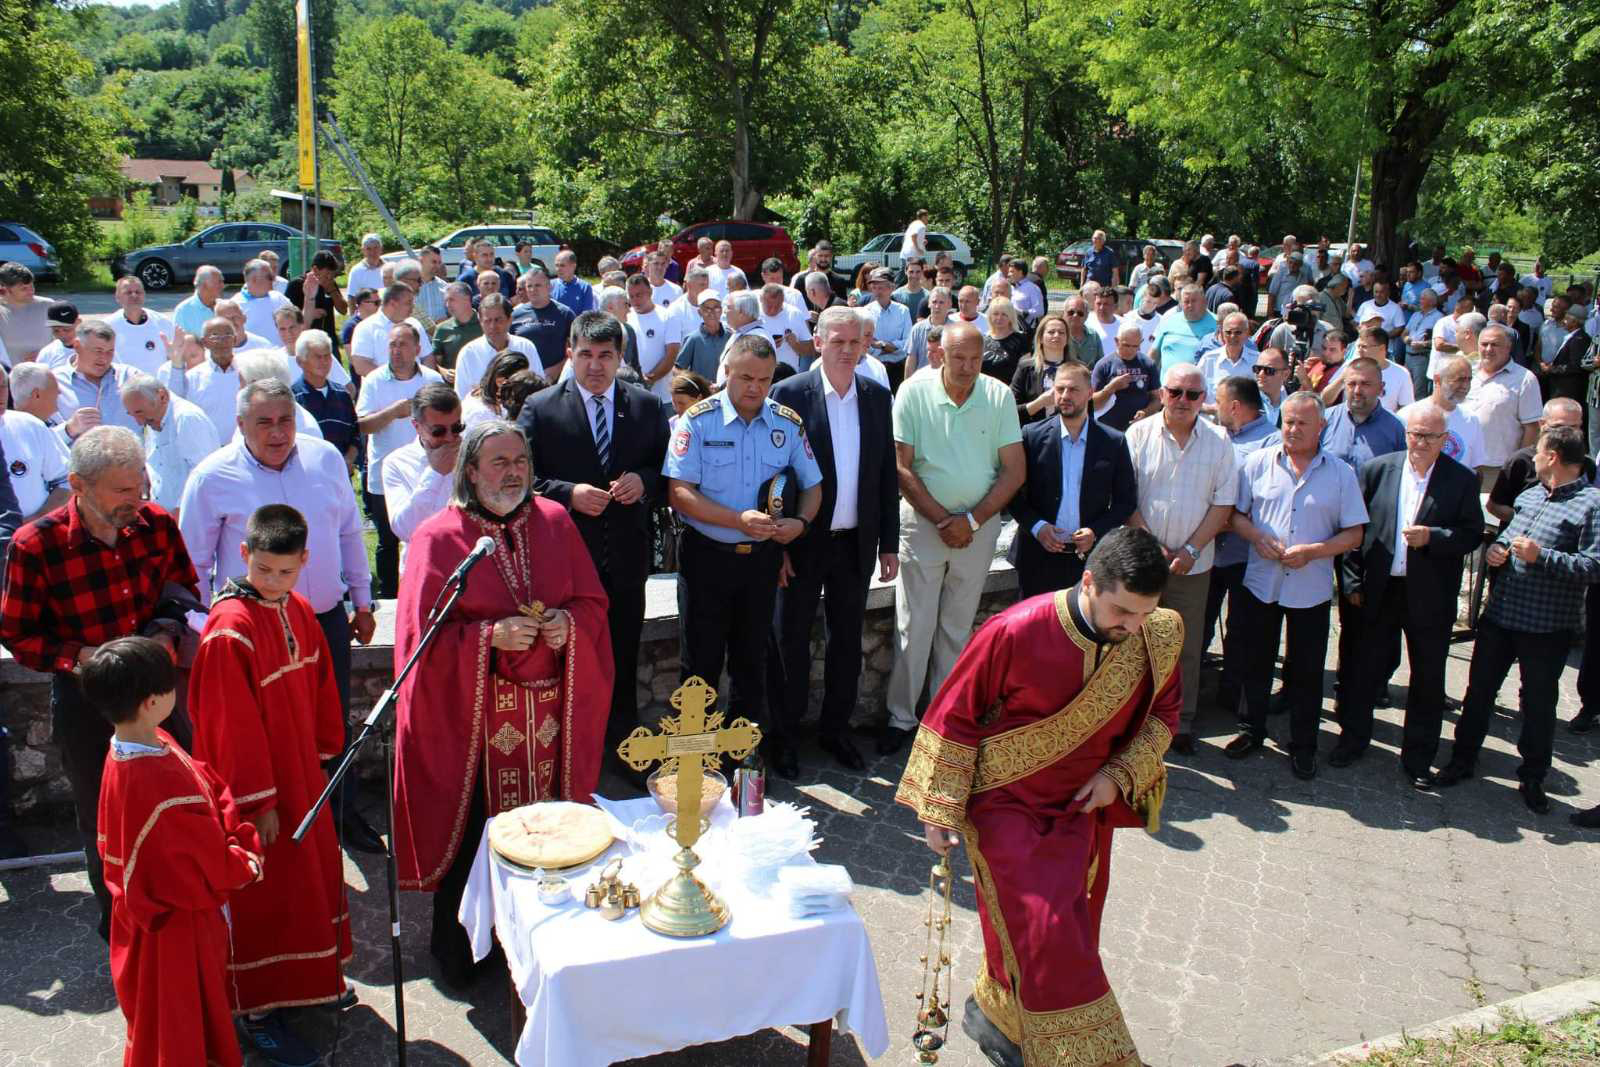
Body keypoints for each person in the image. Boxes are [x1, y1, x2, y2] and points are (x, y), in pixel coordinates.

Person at [896, 527, 1180, 1067]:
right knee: (1049, 931)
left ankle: (1001, 1021)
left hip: (1083, 807)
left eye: (1145, 614)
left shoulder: (1157, 634)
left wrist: (1118, 776)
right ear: (1089, 581)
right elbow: (954, 713)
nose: (1134, 627)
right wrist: (938, 808)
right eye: (1123, 611)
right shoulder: (1015, 630)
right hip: (1006, 806)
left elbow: (1164, 717)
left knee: (1067, 931)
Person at [393, 420, 613, 985]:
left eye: (520, 460)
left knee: (553, 832)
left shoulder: (557, 522)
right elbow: (421, 642)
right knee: (474, 839)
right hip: (475, 728)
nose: (513, 471)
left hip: (547, 724)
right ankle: (466, 952)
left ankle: (547, 944)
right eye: (498, 462)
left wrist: (570, 624)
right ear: (470, 470)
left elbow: (593, 603)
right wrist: (487, 638)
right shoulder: (438, 539)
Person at [0, 426, 199, 939]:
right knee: (102, 813)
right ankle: (121, 926)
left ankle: (188, 907)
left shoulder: (155, 524)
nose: (137, 500)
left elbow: (183, 591)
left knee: (183, 793)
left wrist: (165, 632)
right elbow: (19, 636)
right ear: (78, 485)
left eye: (140, 485)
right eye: (122, 490)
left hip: (157, 689)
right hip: (87, 698)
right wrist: (83, 657)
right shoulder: (35, 545)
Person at [177, 379, 380, 851]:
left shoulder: (326, 459)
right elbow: (192, 567)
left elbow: (351, 533)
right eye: (264, 422)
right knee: (267, 731)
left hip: (323, 620)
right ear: (240, 424)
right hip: (253, 632)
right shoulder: (211, 476)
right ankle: (275, 821)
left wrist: (364, 601)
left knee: (331, 722)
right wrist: (213, 627)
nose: (276, 432)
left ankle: (340, 817)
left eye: (284, 419)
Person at [186, 505, 351, 1063]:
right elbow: (228, 729)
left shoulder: (299, 608)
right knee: (263, 896)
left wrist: (327, 752)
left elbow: (323, 684)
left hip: (304, 775)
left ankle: (303, 983)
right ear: (242, 556)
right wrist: (257, 803)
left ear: (305, 561)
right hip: (262, 793)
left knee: (307, 881)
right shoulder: (229, 632)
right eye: (263, 570)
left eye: (285, 571)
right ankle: (255, 1010)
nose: (274, 582)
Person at [83, 636, 263, 1067]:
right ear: (150, 702)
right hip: (178, 926)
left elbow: (203, 779)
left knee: (164, 1016)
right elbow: (204, 862)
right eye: (169, 687)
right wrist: (246, 857)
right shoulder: (155, 783)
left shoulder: (138, 743)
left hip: (149, 914)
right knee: (180, 1021)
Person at [520, 311, 671, 783]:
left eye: (606, 355)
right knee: (564, 661)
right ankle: (564, 755)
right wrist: (568, 494)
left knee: (623, 657)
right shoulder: (540, 409)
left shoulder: (646, 406)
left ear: (620, 357)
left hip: (626, 559)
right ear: (570, 354)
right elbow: (517, 481)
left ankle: (623, 749)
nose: (595, 366)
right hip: (565, 564)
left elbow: (668, 473)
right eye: (585, 354)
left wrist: (641, 482)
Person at [664, 333, 822, 760]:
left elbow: (814, 486)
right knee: (700, 667)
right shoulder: (698, 420)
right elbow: (679, 492)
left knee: (752, 662)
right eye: (746, 377)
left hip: (761, 563)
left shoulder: (786, 423)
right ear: (727, 372)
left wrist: (801, 523)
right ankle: (694, 763)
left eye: (765, 379)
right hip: (706, 561)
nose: (755, 387)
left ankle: (741, 757)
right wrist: (737, 520)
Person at [760, 308, 898, 775]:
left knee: (846, 642)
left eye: (854, 342)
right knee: (789, 640)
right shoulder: (789, 394)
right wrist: (774, 547)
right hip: (800, 543)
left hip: (855, 541)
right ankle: (784, 736)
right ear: (817, 342)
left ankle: (835, 730)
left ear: (864, 345)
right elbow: (770, 476)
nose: (846, 350)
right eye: (836, 341)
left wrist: (889, 543)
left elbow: (885, 474)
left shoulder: (878, 396)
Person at [1434, 425, 1600, 813]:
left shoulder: (1592, 504)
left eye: (1539, 452)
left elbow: (1594, 567)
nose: (1533, 457)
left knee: (1538, 704)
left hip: (1546, 627)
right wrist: (1499, 551)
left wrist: (1541, 556)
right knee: (1478, 693)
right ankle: (1462, 760)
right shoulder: (1529, 495)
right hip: (1502, 615)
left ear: (1554, 457)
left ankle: (1533, 777)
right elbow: (1510, 538)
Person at [881, 322, 1023, 754]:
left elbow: (1015, 470)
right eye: (958, 357)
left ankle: (942, 719)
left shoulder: (998, 395)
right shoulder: (914, 391)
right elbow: (900, 466)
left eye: (975, 358)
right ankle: (901, 717)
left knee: (957, 628)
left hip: (976, 531)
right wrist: (945, 519)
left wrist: (972, 520)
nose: (966, 367)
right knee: (914, 625)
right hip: (924, 526)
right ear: (939, 353)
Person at [1332, 404, 1483, 786]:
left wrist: (1434, 537)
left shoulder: (1461, 480)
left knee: (1427, 679)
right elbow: (1354, 529)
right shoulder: (1379, 469)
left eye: (1429, 437)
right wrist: (1351, 582)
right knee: (1363, 670)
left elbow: (1471, 534)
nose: (1419, 442)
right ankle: (1352, 740)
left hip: (1429, 596)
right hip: (1379, 590)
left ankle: (1418, 757)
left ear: (1444, 440)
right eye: (1414, 434)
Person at [1225, 392, 1367, 778]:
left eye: (1303, 422)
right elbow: (1236, 517)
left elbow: (1354, 533)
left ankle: (1303, 745)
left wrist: (1316, 550)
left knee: (1305, 672)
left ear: (1321, 426)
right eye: (1288, 421)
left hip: (1311, 587)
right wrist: (1255, 536)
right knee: (1255, 662)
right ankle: (1251, 730)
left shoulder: (1341, 473)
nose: (1293, 429)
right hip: (1261, 582)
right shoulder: (1256, 465)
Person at [1124, 363, 1237, 752]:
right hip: (1142, 562)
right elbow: (1125, 498)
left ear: (1204, 399)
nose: (1183, 401)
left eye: (1193, 394)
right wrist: (1151, 546)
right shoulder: (1137, 434)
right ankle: (1132, 717)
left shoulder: (1220, 441)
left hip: (1194, 564)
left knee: (1184, 646)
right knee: (1133, 642)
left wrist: (1191, 549)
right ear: (1161, 393)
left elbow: (1224, 503)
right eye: (1176, 392)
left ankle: (1180, 720)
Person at [1007, 361, 1136, 599]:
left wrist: (1095, 532)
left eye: (1073, 390)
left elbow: (1125, 502)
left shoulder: (1113, 441)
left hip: (1089, 560)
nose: (1065, 396)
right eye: (1060, 389)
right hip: (1037, 556)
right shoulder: (1031, 437)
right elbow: (1011, 493)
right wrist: (1038, 527)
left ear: (1089, 393)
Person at [1203, 376, 1281, 721]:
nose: (1213, 407)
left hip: (1246, 554)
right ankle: (1193, 685)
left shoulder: (1272, 442)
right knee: (1201, 619)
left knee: (1242, 627)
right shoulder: (1218, 436)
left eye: (1218, 401)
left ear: (1235, 406)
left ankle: (1232, 693)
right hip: (1208, 549)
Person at [356, 322, 445, 599]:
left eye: (402, 344)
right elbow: (362, 424)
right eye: (392, 345)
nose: (396, 351)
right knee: (387, 539)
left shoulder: (432, 380)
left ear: (418, 349)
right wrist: (393, 412)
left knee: (426, 535)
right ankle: (390, 596)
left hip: (429, 471)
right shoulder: (374, 380)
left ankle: (424, 590)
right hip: (386, 473)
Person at [382, 384, 462, 574]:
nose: (451, 438)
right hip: (424, 568)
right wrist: (435, 473)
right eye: (439, 431)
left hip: (471, 566)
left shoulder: (474, 453)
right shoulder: (396, 463)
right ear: (417, 426)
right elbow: (405, 529)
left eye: (457, 428)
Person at [118, 370, 217, 519]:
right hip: (162, 517)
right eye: (132, 414)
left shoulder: (187, 419)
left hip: (189, 518)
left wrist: (179, 513)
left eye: (140, 412)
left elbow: (204, 475)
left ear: (162, 396)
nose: (138, 421)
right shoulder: (152, 420)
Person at [1461, 322, 1542, 488]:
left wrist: (1519, 467)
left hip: (1498, 469)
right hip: (1462, 462)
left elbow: (1532, 428)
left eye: (1495, 344)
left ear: (1508, 347)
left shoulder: (1525, 379)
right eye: (1484, 344)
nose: (1489, 349)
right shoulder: (1465, 371)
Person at [1319, 357, 1407, 470]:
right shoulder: (1324, 420)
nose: (1357, 391)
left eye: (1365, 384)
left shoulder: (1398, 428)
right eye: (1351, 384)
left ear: (1381, 388)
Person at [1399, 355, 1485, 470]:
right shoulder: (1407, 416)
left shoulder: (1471, 420)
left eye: (1469, 380)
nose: (1465, 386)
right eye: (1460, 379)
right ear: (1438, 380)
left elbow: (1477, 467)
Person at [54, 320, 140, 435]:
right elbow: (39, 437)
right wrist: (68, 429)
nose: (104, 359)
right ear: (77, 346)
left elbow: (163, 406)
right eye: (98, 351)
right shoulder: (54, 384)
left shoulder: (130, 377)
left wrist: (173, 367)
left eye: (110, 352)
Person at [292, 330, 358, 470]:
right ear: (300, 361)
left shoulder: (342, 394)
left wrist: (348, 459)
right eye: (317, 357)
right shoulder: (292, 399)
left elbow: (355, 433)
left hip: (340, 475)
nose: (324, 362)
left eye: (327, 356)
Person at [349, 284, 434, 377]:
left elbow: (427, 357)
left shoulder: (415, 324)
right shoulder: (366, 328)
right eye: (408, 303)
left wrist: (425, 381)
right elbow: (361, 365)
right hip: (382, 387)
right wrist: (395, 380)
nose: (413, 307)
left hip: (418, 387)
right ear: (393, 304)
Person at [510, 267, 578, 378]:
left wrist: (557, 370)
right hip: (522, 380)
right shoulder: (515, 315)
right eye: (529, 286)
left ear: (549, 287)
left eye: (538, 285)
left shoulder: (565, 314)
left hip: (555, 379)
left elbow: (576, 348)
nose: (533, 290)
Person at [626, 272, 683, 401]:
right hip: (633, 393)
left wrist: (649, 380)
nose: (635, 300)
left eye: (639, 295)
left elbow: (671, 355)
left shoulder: (668, 317)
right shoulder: (627, 318)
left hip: (663, 396)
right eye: (631, 296)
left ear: (650, 292)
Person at [1009, 312, 1071, 426]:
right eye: (1051, 332)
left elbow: (1087, 409)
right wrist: (1040, 403)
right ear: (1041, 338)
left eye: (1061, 332)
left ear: (1067, 339)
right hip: (1033, 435)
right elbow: (1011, 411)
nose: (1057, 335)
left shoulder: (1077, 369)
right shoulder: (1025, 368)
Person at [105, 276, 175, 375]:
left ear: (144, 295)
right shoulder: (107, 326)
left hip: (157, 386)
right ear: (117, 297)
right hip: (122, 386)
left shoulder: (163, 322)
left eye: (138, 292)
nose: (134, 295)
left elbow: (175, 357)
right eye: (128, 292)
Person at [859, 267, 910, 387]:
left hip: (897, 369)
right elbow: (865, 342)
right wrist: (889, 348)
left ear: (892, 288)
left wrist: (882, 345)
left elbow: (907, 344)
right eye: (874, 288)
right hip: (873, 368)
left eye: (881, 288)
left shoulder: (903, 311)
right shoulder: (866, 312)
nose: (877, 292)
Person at [1150, 284, 1216, 375]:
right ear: (1180, 303)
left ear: (1204, 302)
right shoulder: (1169, 320)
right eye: (1186, 301)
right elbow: (1154, 353)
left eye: (1194, 301)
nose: (1190, 305)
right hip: (1167, 386)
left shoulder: (1217, 324)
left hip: (1200, 387)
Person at [0, 261, 57, 363]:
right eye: (24, 288)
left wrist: (45, 354)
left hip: (44, 373)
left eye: (32, 286)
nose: (31, 291)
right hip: (8, 376)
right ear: (6, 289)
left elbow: (67, 340)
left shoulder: (48, 306)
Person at [431, 282, 483, 383]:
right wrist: (444, 372)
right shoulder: (442, 329)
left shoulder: (485, 324)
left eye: (451, 300)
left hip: (481, 386)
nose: (447, 305)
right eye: (446, 301)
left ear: (467, 299)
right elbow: (433, 361)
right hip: (453, 388)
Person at [675, 289, 728, 381]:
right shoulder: (693, 339)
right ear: (700, 312)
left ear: (721, 310)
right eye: (707, 309)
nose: (711, 312)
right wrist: (698, 384)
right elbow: (678, 369)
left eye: (716, 308)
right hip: (701, 393)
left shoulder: (730, 336)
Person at [979, 297, 1028, 386]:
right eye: (995, 314)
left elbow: (1025, 371)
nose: (999, 318)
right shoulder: (982, 340)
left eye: (1004, 314)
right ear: (990, 316)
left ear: (1010, 316)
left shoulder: (1021, 340)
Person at [174, 265, 227, 342]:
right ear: (204, 285)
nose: (222, 286)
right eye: (219, 282)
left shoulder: (225, 306)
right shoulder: (183, 311)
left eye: (222, 282)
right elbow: (180, 343)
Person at [892, 256, 930, 322]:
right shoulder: (896, 296)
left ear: (922, 272)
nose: (914, 275)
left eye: (918, 272)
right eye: (911, 272)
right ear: (905, 272)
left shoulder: (929, 296)